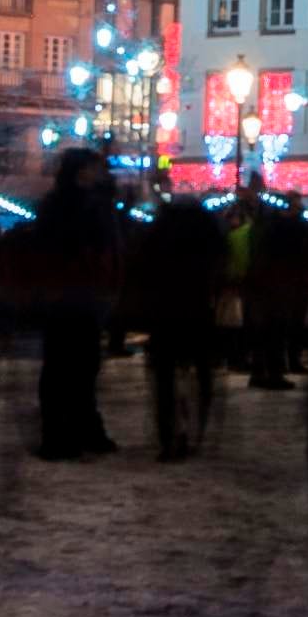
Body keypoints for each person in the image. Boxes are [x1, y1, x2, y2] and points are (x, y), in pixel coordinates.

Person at [29, 148, 122, 459]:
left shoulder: (65, 203)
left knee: (74, 365)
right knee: (70, 366)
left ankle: (71, 431)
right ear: (82, 171)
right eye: (95, 168)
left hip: (69, 292)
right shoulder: (79, 206)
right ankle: (65, 434)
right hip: (74, 291)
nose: (100, 173)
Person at [134, 195, 226, 461]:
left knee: (165, 379)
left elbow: (143, 272)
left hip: (165, 315)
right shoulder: (207, 239)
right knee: (199, 374)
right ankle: (194, 430)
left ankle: (169, 435)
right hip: (197, 314)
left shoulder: (157, 239)